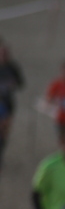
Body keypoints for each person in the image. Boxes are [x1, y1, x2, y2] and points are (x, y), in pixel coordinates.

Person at [0, 41, 25, 175]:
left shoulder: (12, 68)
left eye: (5, 53)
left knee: (4, 133)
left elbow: (21, 83)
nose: (4, 55)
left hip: (7, 104)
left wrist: (13, 84)